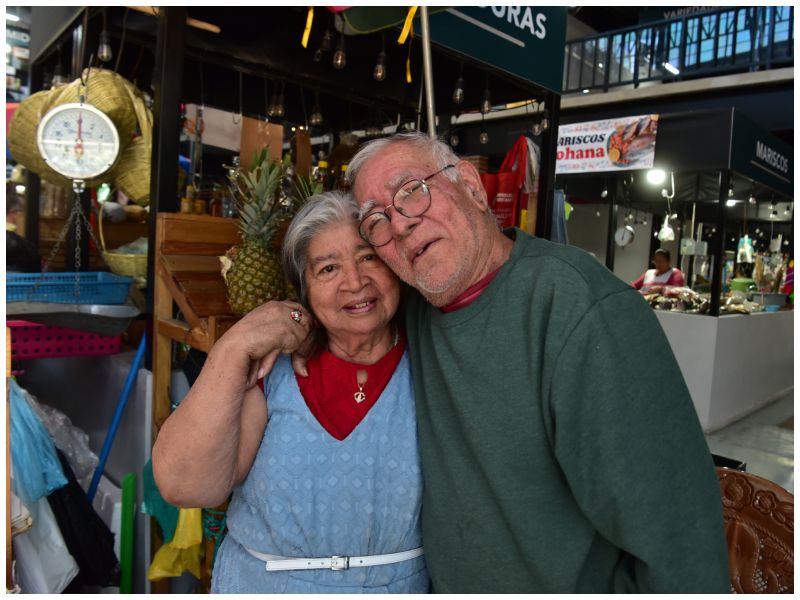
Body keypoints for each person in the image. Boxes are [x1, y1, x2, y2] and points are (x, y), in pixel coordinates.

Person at [323, 132, 729, 593]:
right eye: (376, 220)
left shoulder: (580, 310)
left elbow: (681, 548)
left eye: (411, 191)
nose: (399, 225)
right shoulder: (411, 311)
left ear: (473, 188)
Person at [152, 192, 428, 594]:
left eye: (369, 257)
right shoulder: (270, 370)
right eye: (328, 268)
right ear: (304, 289)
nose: (355, 282)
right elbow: (186, 486)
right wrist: (234, 346)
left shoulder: (431, 358)